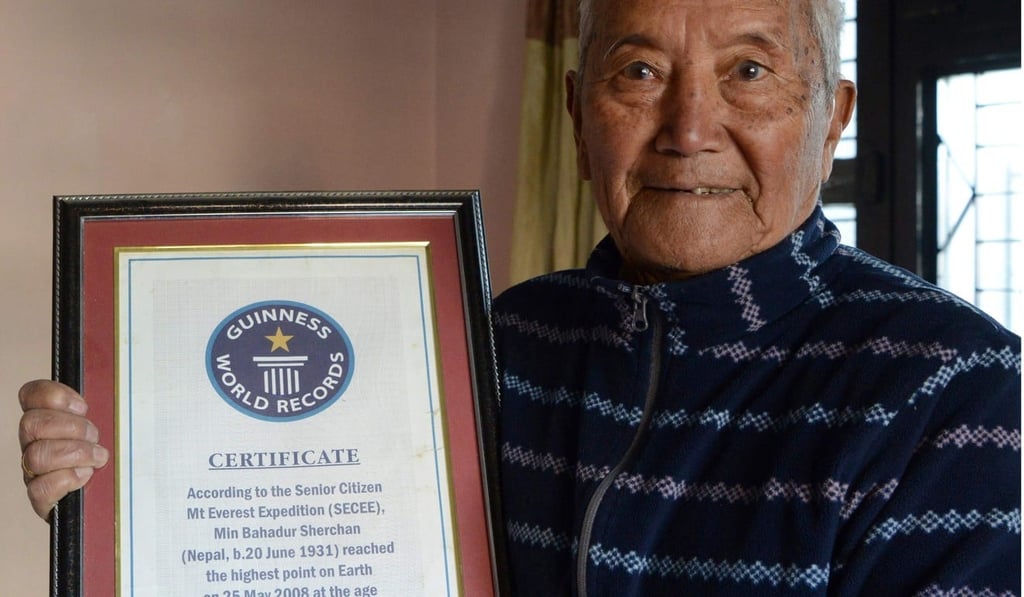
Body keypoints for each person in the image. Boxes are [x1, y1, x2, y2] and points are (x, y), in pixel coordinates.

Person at [19, 0, 1021, 595]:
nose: (686, 128)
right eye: (638, 71)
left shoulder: (956, 393)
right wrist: (137, 483)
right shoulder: (492, 341)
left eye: (748, 71)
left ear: (833, 114)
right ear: (582, 112)